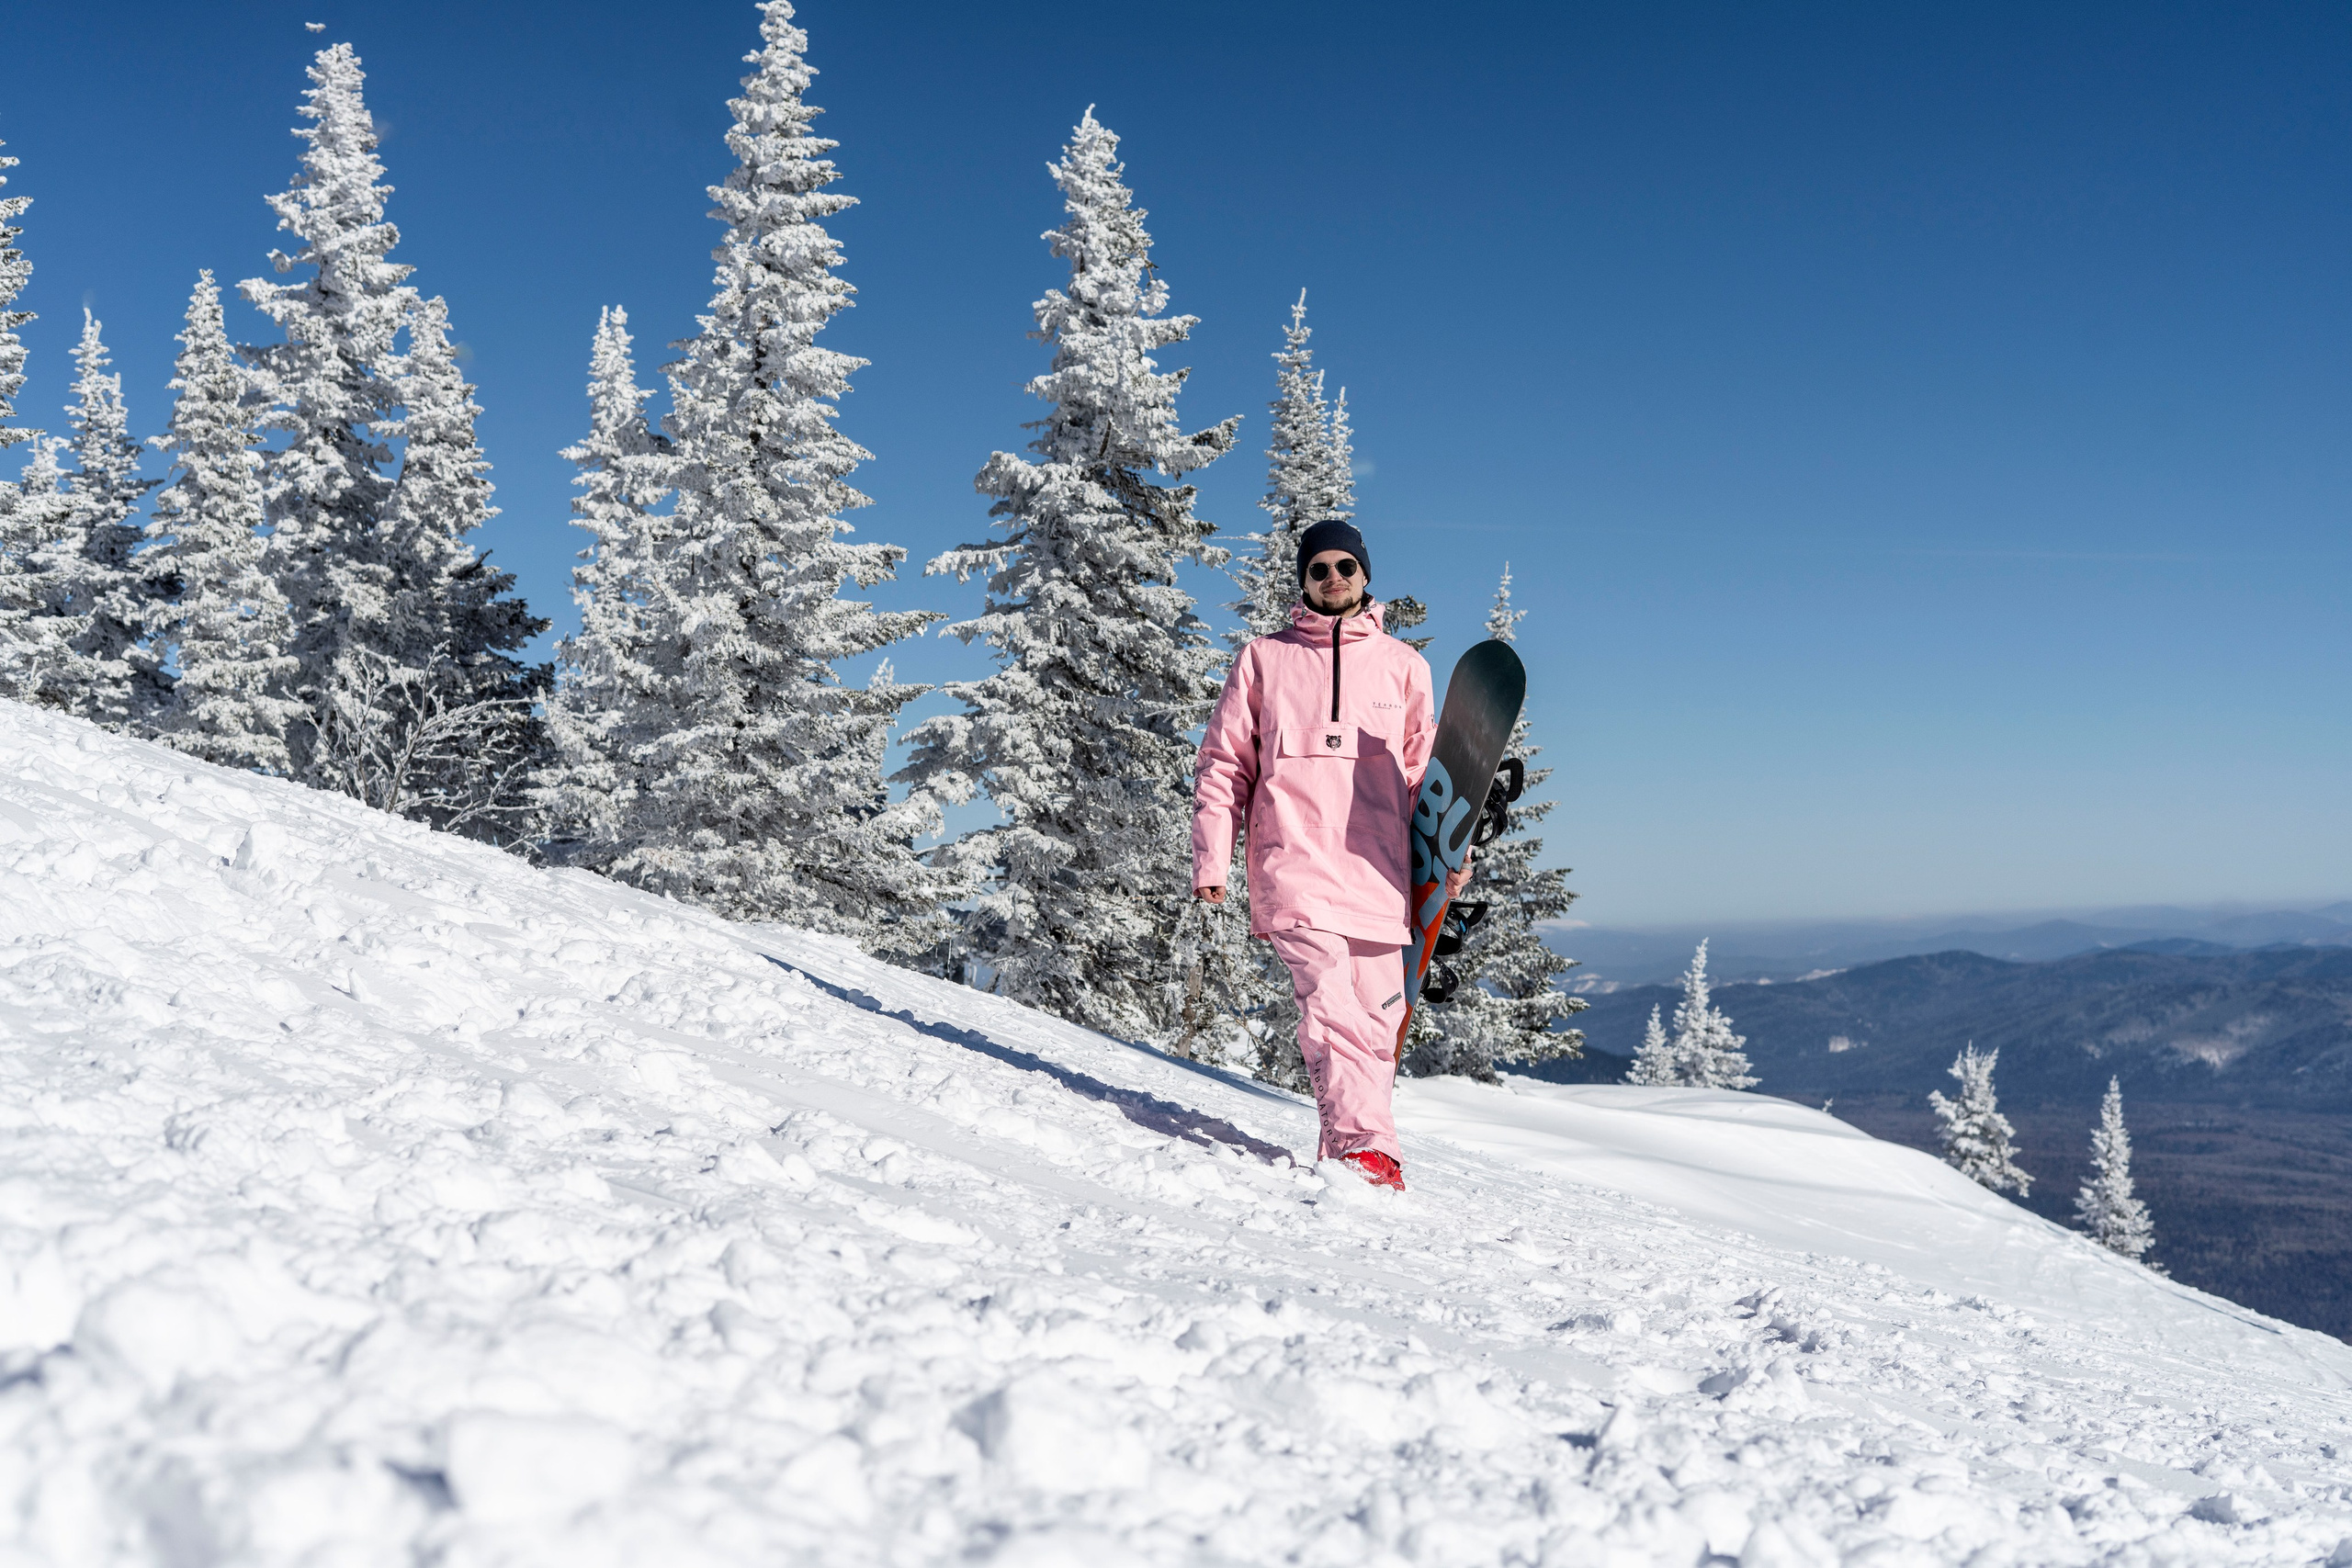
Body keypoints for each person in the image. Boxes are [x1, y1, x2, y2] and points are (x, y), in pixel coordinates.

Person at [1192, 519, 1470, 1191]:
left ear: (1366, 573)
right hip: (1293, 865)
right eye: (1319, 569)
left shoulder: (1405, 667)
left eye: (1346, 565)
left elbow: (1420, 778)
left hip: (1378, 876)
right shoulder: (1263, 658)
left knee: (1377, 1027)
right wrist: (1211, 857)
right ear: (1303, 580)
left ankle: (1343, 1157)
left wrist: (1446, 858)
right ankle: (1365, 1151)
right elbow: (1223, 764)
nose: (1334, 578)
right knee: (1331, 1004)